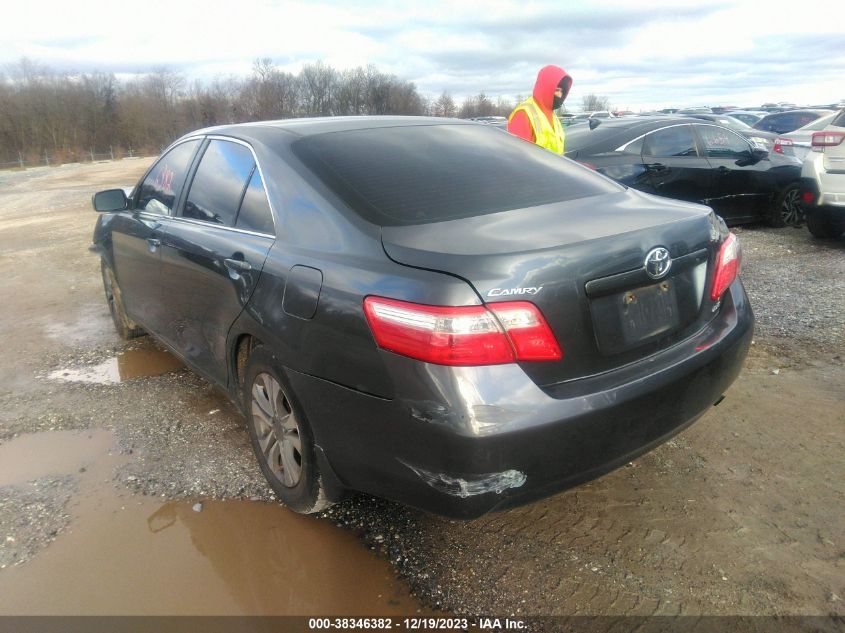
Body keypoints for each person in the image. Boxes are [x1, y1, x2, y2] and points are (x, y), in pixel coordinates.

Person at [507, 65, 572, 155]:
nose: (560, 95)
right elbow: (516, 157)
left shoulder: (553, 116)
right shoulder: (523, 114)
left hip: (553, 168)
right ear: (546, 87)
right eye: (557, 90)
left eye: (562, 91)